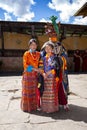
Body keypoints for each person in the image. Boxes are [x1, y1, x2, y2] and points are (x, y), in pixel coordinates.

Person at [21, 38, 40, 112]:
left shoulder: (38, 54)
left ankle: (34, 107)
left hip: (35, 76)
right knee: (27, 91)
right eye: (32, 45)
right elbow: (25, 66)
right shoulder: (26, 54)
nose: (33, 46)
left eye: (35, 45)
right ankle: (27, 107)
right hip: (28, 75)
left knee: (34, 91)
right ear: (29, 46)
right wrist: (35, 69)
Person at [39, 41, 59, 113]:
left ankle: (51, 108)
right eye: (46, 48)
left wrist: (49, 73)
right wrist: (43, 74)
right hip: (44, 78)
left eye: (49, 48)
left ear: (52, 49)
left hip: (51, 78)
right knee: (44, 93)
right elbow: (40, 67)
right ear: (44, 49)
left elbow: (56, 68)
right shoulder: (43, 58)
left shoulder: (55, 58)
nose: (48, 49)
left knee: (51, 93)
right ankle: (45, 108)